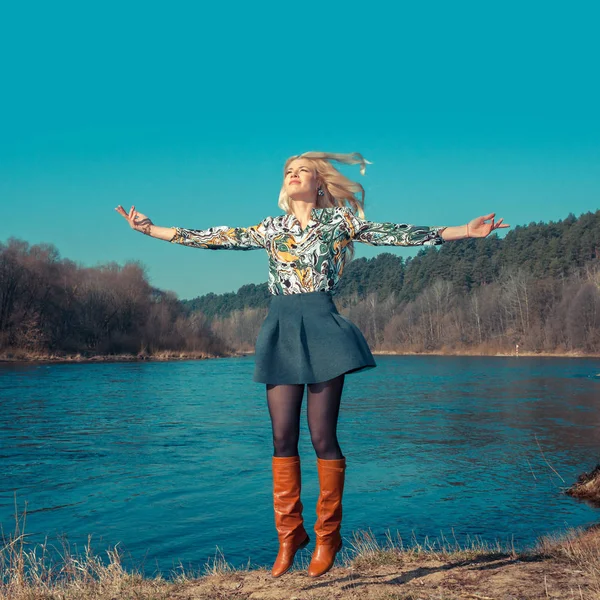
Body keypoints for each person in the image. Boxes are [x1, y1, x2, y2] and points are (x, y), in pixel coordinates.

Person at [115, 151, 508, 578]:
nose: (293, 175)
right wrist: (151, 229)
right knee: (282, 437)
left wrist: (463, 232)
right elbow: (215, 236)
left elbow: (396, 233)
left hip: (322, 328)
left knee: (322, 436)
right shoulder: (271, 228)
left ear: (320, 182)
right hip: (281, 327)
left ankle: (328, 535)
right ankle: (289, 535)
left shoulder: (339, 221)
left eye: (302, 170)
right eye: (288, 172)